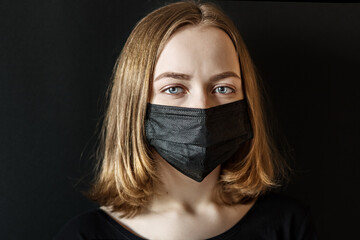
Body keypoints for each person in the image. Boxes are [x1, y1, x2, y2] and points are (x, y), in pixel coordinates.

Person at [54, 1, 318, 239]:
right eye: (174, 88)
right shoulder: (84, 236)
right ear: (134, 104)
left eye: (223, 88)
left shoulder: (288, 225)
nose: (202, 108)